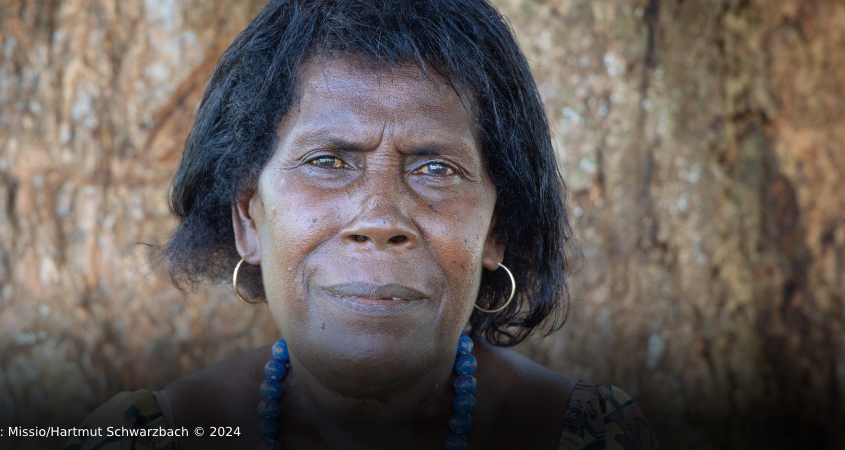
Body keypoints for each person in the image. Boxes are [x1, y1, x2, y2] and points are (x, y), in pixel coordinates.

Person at [66, 0, 660, 449]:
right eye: (327, 161)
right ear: (249, 216)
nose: (379, 219)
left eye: (435, 167)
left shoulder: (593, 436)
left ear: (496, 227)